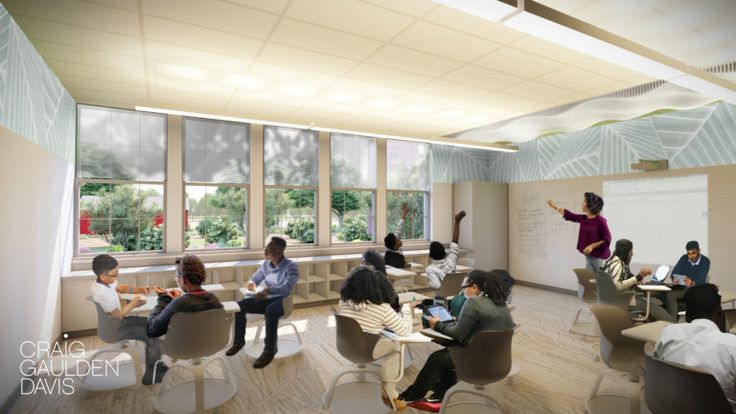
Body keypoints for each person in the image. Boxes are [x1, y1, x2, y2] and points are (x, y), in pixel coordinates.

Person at [399, 270, 515, 404]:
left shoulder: (474, 303)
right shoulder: (501, 303)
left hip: (479, 361)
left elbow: (458, 334)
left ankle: (410, 396)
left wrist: (437, 325)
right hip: (499, 360)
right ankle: (440, 394)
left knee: (436, 359)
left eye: (463, 288)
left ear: (474, 288)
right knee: (449, 351)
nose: (462, 291)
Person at [338, 266, 413, 410]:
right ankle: (389, 392)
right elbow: (405, 330)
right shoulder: (382, 308)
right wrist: (406, 310)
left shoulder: (343, 302)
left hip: (346, 347)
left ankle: (362, 366)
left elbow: (360, 321)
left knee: (375, 333)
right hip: (367, 350)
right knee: (397, 345)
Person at [654, 284, 736, 410]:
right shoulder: (731, 346)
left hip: (670, 408)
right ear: (720, 312)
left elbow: (657, 373)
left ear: (686, 317)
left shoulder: (668, 333)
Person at [89, 254, 168, 384]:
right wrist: (133, 304)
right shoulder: (101, 294)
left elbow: (122, 288)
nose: (116, 277)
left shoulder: (105, 281)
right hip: (116, 328)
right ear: (103, 276)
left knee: (153, 324)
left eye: (117, 272)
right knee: (152, 332)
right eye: (114, 274)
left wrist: (144, 289)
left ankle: (156, 363)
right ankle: (152, 374)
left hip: (119, 322)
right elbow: (118, 315)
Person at [226, 237, 299, 369]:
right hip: (267, 298)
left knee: (271, 310)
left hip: (282, 301)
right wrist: (251, 286)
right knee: (240, 305)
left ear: (278, 252)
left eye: (268, 248)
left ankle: (269, 351)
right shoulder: (266, 264)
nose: (265, 250)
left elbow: (287, 288)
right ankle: (238, 342)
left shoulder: (291, 266)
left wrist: (268, 290)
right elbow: (255, 279)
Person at [146, 255, 223, 337]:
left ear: (183, 279)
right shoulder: (215, 301)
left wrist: (163, 299)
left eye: (177, 277)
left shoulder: (179, 304)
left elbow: (152, 329)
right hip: (208, 346)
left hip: (181, 348)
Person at [600, 239, 673, 322]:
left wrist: (634, 279)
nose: (632, 253)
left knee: (650, 301)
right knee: (656, 308)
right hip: (624, 299)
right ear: (626, 251)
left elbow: (613, 281)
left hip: (611, 299)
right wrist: (638, 277)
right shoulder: (618, 264)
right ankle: (673, 326)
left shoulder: (609, 262)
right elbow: (617, 285)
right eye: (631, 251)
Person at [548, 193, 611, 272]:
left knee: (600, 282)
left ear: (590, 204)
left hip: (600, 258)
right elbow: (569, 215)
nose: (581, 203)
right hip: (589, 257)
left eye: (584, 201)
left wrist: (592, 246)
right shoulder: (584, 218)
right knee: (589, 281)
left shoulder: (600, 221)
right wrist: (555, 207)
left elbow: (607, 239)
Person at [667, 240, 711, 320]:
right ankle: (670, 319)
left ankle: (671, 321)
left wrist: (693, 282)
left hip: (697, 289)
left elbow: (701, 278)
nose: (691, 256)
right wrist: (675, 279)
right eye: (689, 254)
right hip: (683, 287)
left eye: (693, 253)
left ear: (699, 251)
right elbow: (674, 272)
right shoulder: (684, 258)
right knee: (666, 293)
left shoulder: (705, 261)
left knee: (671, 295)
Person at [424, 211, 466, 289]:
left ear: (430, 256)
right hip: (455, 294)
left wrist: (429, 282)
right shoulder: (451, 261)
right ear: (444, 254)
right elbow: (455, 242)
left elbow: (437, 286)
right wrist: (457, 222)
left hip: (441, 299)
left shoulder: (430, 269)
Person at [384, 203, 412, 269]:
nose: (400, 240)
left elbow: (398, 228)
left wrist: (404, 215)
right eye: (398, 240)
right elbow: (405, 265)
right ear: (395, 246)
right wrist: (407, 264)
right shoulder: (396, 256)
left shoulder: (391, 248)